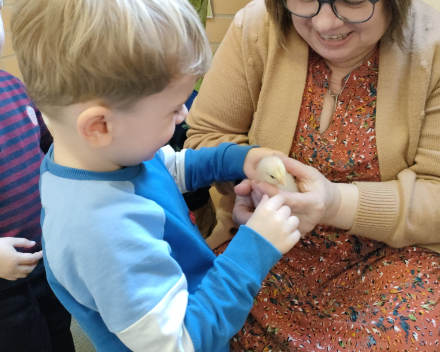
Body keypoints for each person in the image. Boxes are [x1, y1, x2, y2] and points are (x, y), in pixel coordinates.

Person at [11, 0, 302, 351]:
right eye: (172, 108)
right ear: (100, 125)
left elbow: (172, 170)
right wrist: (254, 247)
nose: (183, 115)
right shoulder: (101, 234)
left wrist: (241, 160)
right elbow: (182, 341)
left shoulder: (100, 154)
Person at [184, 0, 440, 350]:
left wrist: (332, 203)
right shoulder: (256, 28)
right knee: (196, 321)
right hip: (265, 246)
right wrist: (254, 180)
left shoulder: (433, 44)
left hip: (393, 258)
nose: (323, 22)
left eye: (351, 1)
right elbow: (204, 138)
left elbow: (435, 196)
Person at [0, 0, 75, 350]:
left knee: (60, 332)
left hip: (47, 256)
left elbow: (52, 146)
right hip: (4, 286)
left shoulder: (13, 86)